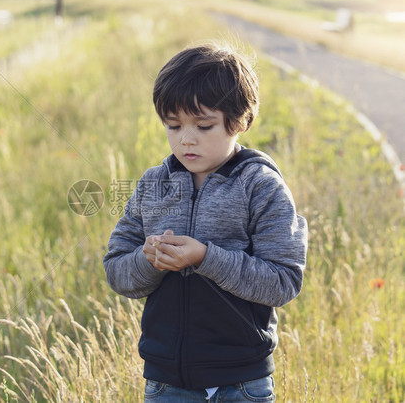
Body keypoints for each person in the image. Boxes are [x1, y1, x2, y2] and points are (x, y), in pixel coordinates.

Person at [103, 42, 308, 402]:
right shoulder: (153, 184)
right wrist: (147, 259)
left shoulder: (260, 186)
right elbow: (117, 270)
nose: (186, 139)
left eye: (204, 125)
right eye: (173, 125)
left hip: (242, 381)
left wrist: (205, 258)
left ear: (239, 121)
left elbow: (283, 281)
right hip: (167, 380)